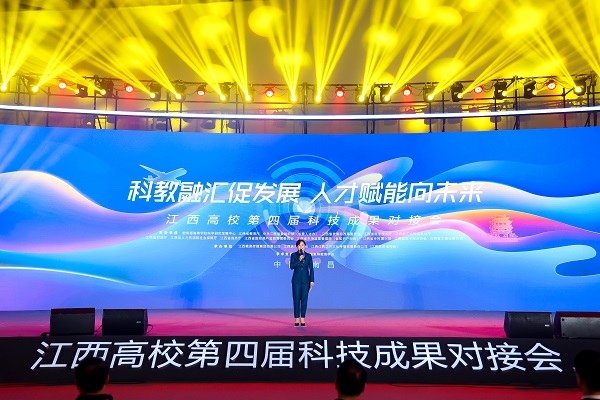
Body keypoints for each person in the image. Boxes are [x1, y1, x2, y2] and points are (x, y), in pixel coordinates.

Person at [289, 239, 314, 326]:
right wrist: (299, 260)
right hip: (296, 280)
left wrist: (312, 280)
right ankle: (296, 318)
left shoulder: (309, 256)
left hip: (306, 280)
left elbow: (311, 269)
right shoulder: (293, 255)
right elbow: (291, 266)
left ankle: (302, 318)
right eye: (299, 245)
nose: (301, 246)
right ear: (297, 247)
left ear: (305, 246)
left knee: (304, 299)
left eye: (302, 245)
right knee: (296, 299)